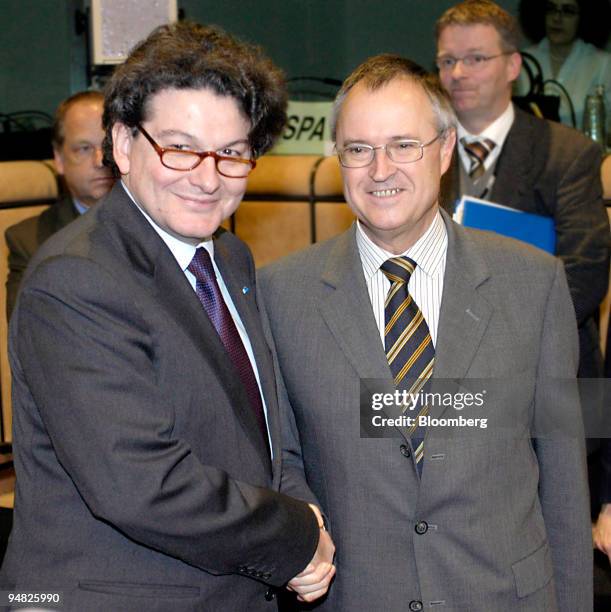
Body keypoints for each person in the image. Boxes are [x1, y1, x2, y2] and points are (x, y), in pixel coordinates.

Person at [0, 21, 335, 611]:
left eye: (232, 153)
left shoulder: (230, 257)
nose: (207, 179)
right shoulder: (76, 279)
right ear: (124, 145)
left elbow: (264, 428)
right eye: (180, 148)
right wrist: (294, 537)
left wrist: (304, 511)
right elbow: (139, 485)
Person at [259, 52, 592, 610]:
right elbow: (280, 459)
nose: (380, 169)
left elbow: (564, 471)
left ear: (444, 151)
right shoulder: (276, 294)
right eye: (358, 149)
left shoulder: (537, 282)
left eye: (402, 145)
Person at [5, 90, 115, 319]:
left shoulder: (167, 222)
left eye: (108, 146)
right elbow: (31, 339)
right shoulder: (30, 241)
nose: (100, 160)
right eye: (84, 148)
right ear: (59, 159)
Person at [517, 0, 611, 131]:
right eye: (551, 9)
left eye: (568, 11)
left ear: (585, 17)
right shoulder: (522, 61)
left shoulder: (603, 65)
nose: (556, 18)